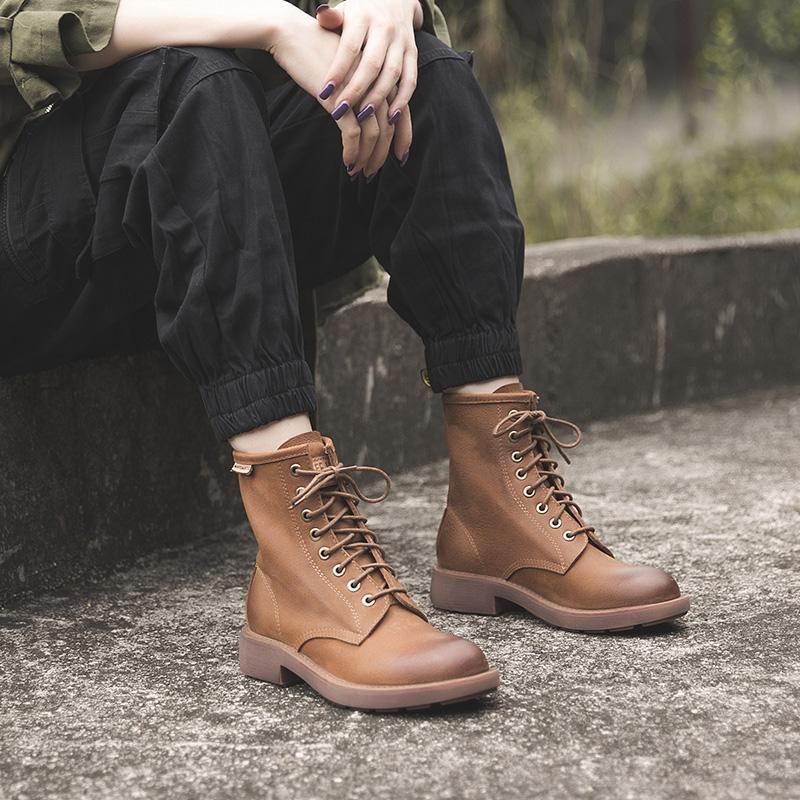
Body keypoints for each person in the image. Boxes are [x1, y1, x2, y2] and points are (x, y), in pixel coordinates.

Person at [0, 0, 690, 710]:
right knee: (190, 81)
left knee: (417, 71)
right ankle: (296, 566)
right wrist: (267, 22)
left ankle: (498, 507)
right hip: (36, 235)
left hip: (189, 207)